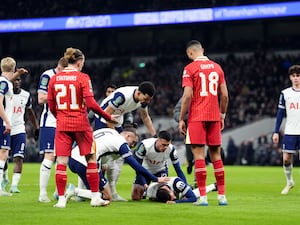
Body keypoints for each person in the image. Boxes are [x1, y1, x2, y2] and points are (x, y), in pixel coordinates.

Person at [47, 47, 119, 208]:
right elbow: (92, 104)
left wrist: (60, 117)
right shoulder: (83, 78)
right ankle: (95, 197)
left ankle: (61, 200)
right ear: (79, 63)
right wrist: (108, 117)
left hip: (62, 125)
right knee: (91, 160)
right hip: (81, 124)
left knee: (61, 162)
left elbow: (52, 105)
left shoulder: (55, 79)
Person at [178, 40, 229, 206]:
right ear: (203, 50)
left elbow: (186, 96)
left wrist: (181, 118)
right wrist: (222, 115)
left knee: (198, 155)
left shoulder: (190, 68)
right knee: (216, 155)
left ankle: (203, 198)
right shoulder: (217, 67)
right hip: (214, 116)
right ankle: (222, 196)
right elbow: (225, 95)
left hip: (197, 117)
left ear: (190, 53)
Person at [66, 126, 169, 202]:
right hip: (86, 162)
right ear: (128, 136)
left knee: (94, 189)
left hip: (74, 157)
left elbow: (98, 146)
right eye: (133, 142)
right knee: (106, 196)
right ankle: (74, 190)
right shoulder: (121, 142)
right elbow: (134, 164)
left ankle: (69, 194)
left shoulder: (109, 131)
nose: (132, 145)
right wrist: (154, 178)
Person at [93, 82, 156, 201]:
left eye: (149, 100)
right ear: (138, 93)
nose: (146, 102)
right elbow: (106, 114)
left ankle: (112, 191)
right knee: (102, 157)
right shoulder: (122, 96)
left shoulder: (142, 100)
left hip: (117, 120)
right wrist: (114, 137)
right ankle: (94, 189)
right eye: (145, 98)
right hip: (103, 119)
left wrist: (155, 135)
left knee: (120, 156)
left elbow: (145, 117)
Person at [37, 57, 68, 203]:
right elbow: (41, 98)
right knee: (49, 156)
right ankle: (42, 194)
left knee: (63, 158)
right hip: (50, 122)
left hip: (65, 122)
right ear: (60, 68)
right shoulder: (48, 76)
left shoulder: (69, 78)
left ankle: (58, 191)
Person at [131, 130, 187, 200]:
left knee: (164, 194)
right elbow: (137, 167)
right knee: (136, 197)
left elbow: (178, 170)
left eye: (167, 145)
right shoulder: (145, 145)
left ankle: (160, 193)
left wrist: (185, 189)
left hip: (161, 171)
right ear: (157, 140)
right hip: (145, 171)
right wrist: (144, 182)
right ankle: (146, 192)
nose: (165, 147)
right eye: (163, 145)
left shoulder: (171, 149)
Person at [0, 57, 28, 197]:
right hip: (3, 122)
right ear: (12, 68)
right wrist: (7, 121)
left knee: (4, 152)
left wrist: (17, 74)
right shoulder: (4, 84)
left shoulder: (3, 82)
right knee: (3, 153)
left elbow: (7, 83)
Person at [7, 77, 39, 193]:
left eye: (19, 80)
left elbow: (30, 112)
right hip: (6, 129)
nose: (17, 82)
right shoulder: (5, 94)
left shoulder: (26, 95)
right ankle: (4, 177)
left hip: (19, 130)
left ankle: (14, 186)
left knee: (19, 157)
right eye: (15, 80)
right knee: (4, 158)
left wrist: (36, 127)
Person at [272, 64, 300, 195]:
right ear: (290, 77)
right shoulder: (285, 93)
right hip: (290, 131)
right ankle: (289, 182)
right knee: (286, 159)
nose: (296, 78)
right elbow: (280, 114)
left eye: (298, 76)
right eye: (293, 76)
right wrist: (276, 131)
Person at [146, 177, 217, 204]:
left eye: (172, 196)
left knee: (191, 194)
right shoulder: (150, 192)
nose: (174, 198)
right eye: (172, 198)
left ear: (168, 190)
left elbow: (193, 198)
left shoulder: (177, 183)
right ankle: (190, 187)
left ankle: (214, 186)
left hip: (179, 188)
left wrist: (176, 201)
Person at [173, 97, 193, 174]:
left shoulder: (206, 95)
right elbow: (176, 112)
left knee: (198, 152)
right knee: (190, 150)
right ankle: (190, 161)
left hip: (202, 127)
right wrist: (183, 118)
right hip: (190, 129)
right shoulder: (186, 97)